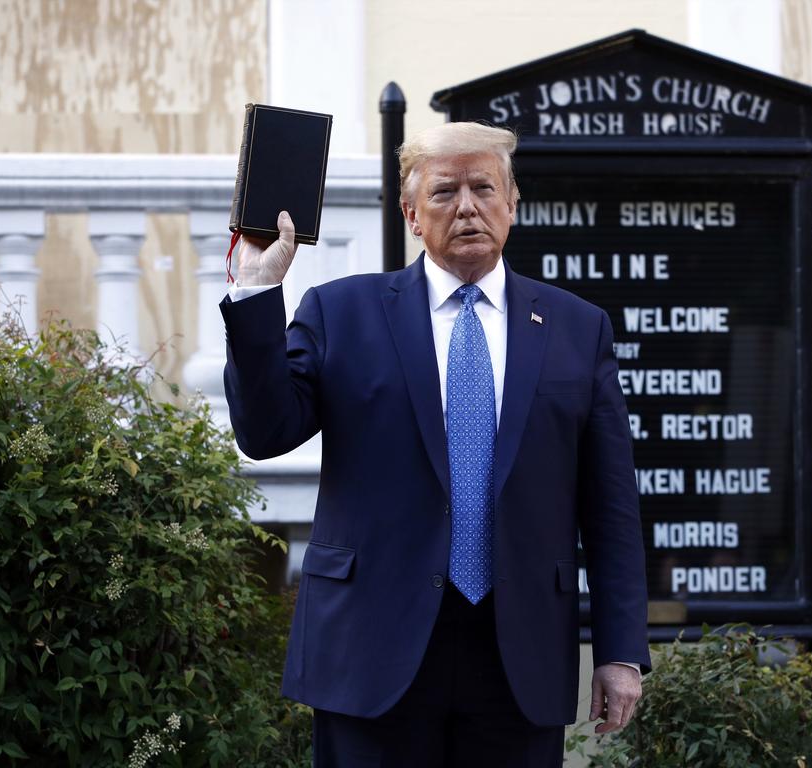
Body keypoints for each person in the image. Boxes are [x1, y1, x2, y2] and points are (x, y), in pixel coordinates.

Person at [220, 121, 650, 767]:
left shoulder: (577, 329)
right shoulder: (343, 312)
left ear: (512, 205)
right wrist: (257, 292)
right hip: (372, 648)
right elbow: (264, 432)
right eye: (445, 191)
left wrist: (620, 651)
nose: (468, 206)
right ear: (412, 214)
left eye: (484, 187)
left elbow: (611, 506)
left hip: (519, 652)